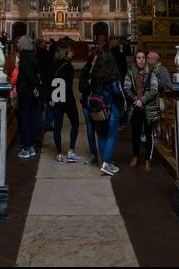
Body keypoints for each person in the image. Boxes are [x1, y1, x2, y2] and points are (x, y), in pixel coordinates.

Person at [86, 40, 126, 176]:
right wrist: (121, 106)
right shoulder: (113, 75)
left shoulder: (94, 74)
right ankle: (106, 163)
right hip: (110, 107)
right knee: (112, 135)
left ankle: (106, 162)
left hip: (97, 106)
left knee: (101, 135)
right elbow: (117, 92)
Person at [123, 50, 160, 171]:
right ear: (135, 60)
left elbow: (154, 89)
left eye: (143, 58)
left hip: (148, 107)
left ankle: (147, 160)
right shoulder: (130, 73)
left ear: (146, 60)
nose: (141, 60)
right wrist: (135, 100)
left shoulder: (152, 73)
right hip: (135, 107)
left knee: (149, 134)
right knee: (136, 133)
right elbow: (126, 88)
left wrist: (142, 100)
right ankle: (135, 155)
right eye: (138, 58)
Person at [50, 45, 81, 163]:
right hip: (67, 99)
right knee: (75, 123)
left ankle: (58, 154)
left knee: (57, 127)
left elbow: (50, 82)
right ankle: (71, 151)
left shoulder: (53, 65)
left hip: (56, 98)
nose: (72, 54)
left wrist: (52, 98)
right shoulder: (69, 67)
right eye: (70, 52)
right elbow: (67, 85)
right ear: (65, 53)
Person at [79, 36, 106, 164]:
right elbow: (80, 86)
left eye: (97, 59)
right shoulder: (86, 69)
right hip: (87, 102)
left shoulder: (103, 71)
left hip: (99, 104)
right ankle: (93, 154)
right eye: (94, 59)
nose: (95, 61)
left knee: (100, 129)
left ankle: (104, 155)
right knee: (90, 129)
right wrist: (88, 83)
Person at [15, 36, 42, 159]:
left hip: (26, 92)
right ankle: (31, 145)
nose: (17, 44)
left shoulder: (24, 56)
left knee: (25, 119)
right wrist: (36, 87)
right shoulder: (32, 55)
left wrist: (33, 87)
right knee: (31, 118)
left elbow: (29, 74)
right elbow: (36, 73)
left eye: (19, 43)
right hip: (30, 92)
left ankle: (26, 147)